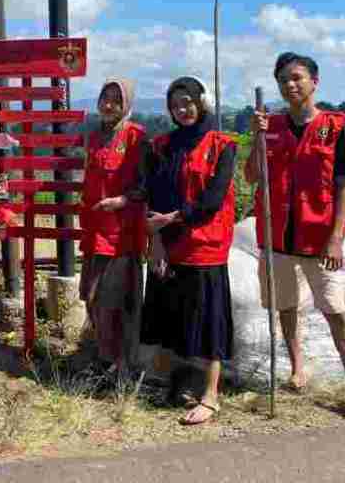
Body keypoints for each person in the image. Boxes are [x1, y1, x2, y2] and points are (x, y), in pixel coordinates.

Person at [244, 52, 345, 426]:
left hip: (318, 237)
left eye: (296, 78)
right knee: (287, 307)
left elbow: (344, 188)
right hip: (277, 237)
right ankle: (297, 369)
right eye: (283, 81)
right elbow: (251, 177)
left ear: (314, 82)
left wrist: (336, 240)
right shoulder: (270, 126)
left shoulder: (335, 127)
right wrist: (255, 138)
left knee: (335, 312)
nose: (289, 85)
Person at [140, 76, 236, 426]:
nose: (182, 109)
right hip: (170, 244)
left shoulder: (222, 144)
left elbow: (213, 199)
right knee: (170, 318)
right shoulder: (161, 146)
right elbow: (154, 197)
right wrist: (159, 240)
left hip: (205, 246)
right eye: (175, 104)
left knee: (209, 323)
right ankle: (174, 382)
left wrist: (174, 218)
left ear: (202, 102)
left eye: (188, 102)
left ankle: (211, 396)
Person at [79, 78, 148, 378]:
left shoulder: (137, 137)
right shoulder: (94, 137)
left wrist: (121, 200)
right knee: (92, 298)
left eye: (115, 100)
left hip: (122, 234)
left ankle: (123, 366)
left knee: (118, 301)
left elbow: (146, 186)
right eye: (104, 98)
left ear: (126, 105)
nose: (108, 105)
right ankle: (105, 358)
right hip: (95, 231)